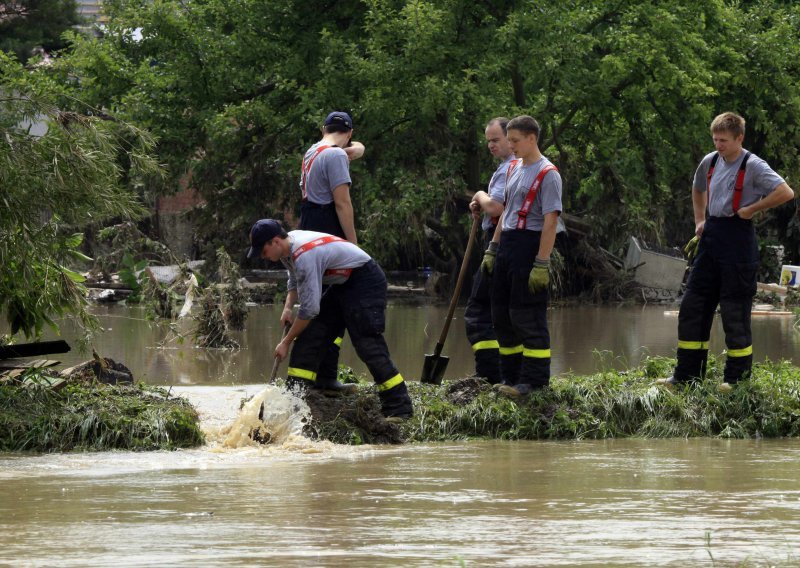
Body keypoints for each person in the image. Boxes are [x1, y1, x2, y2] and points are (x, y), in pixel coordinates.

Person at [659, 112, 795, 391]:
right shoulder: (709, 161)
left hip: (738, 241)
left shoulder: (753, 165)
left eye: (723, 140)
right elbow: (698, 190)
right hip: (711, 239)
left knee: (734, 313)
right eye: (715, 139)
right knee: (693, 307)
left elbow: (785, 192)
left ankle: (736, 380)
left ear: (739, 138)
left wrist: (753, 208)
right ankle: (687, 376)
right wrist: (699, 220)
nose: (718, 145)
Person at [246, 219, 413, 420]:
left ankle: (399, 406)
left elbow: (309, 310)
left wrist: (285, 342)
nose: (263, 257)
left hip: (364, 280)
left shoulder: (304, 254)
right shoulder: (287, 248)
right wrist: (288, 307)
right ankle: (297, 398)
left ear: (275, 241)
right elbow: (293, 278)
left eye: (263, 252)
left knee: (367, 344)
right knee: (312, 336)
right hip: (342, 284)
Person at [481, 115, 565, 397]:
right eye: (510, 140)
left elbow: (551, 221)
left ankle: (535, 380)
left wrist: (542, 263)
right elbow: (507, 212)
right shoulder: (514, 167)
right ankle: (511, 377)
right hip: (508, 245)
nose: (511, 146)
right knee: (502, 314)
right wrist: (493, 248)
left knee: (526, 315)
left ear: (532, 139)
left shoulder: (548, 173)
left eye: (515, 141)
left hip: (530, 246)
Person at [295, 111, 365, 393]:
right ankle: (325, 377)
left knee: (316, 301)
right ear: (348, 132)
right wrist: (352, 245)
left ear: (324, 129)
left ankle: (313, 375)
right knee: (333, 304)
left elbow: (354, 150)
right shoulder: (335, 156)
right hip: (328, 227)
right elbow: (342, 204)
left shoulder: (313, 151)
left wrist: (355, 149)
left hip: (309, 225)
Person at [465, 117, 515, 384]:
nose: (491, 146)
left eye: (496, 140)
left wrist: (480, 195)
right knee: (500, 309)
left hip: (500, 242)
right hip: (507, 241)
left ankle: (488, 375)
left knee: (478, 310)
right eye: (488, 141)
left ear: (511, 138)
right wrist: (481, 204)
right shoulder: (517, 167)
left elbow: (496, 208)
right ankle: (504, 373)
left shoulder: (509, 168)